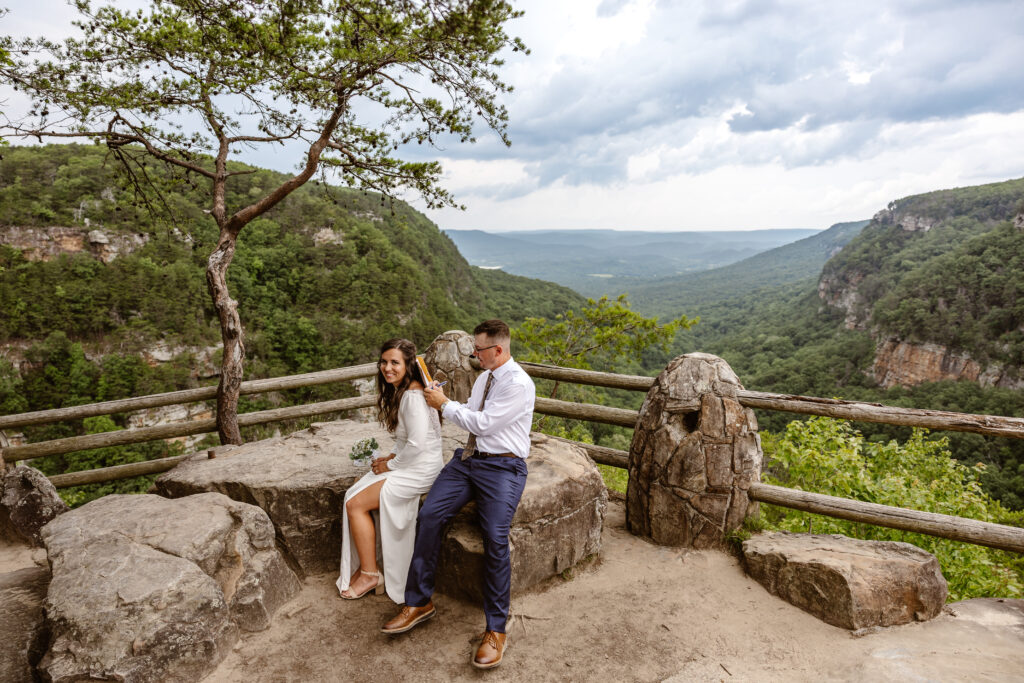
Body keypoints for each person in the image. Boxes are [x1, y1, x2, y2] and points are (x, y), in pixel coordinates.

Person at [381, 319, 536, 670]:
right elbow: (470, 413)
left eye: (478, 350)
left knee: (495, 536)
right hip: (468, 460)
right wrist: (444, 399)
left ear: (498, 350)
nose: (474, 355)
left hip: (503, 467)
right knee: (430, 515)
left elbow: (483, 423)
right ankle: (419, 601)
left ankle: (496, 629)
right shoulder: (484, 377)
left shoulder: (518, 384)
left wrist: (443, 403)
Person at [336, 338, 443, 603]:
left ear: (407, 365)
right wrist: (391, 455)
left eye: (395, 362)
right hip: (412, 462)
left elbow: (417, 444)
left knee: (355, 504)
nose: (387, 368)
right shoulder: (406, 391)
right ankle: (368, 565)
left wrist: (390, 465)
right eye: (384, 362)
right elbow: (407, 439)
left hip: (421, 469)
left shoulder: (413, 397)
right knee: (354, 493)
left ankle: (371, 573)